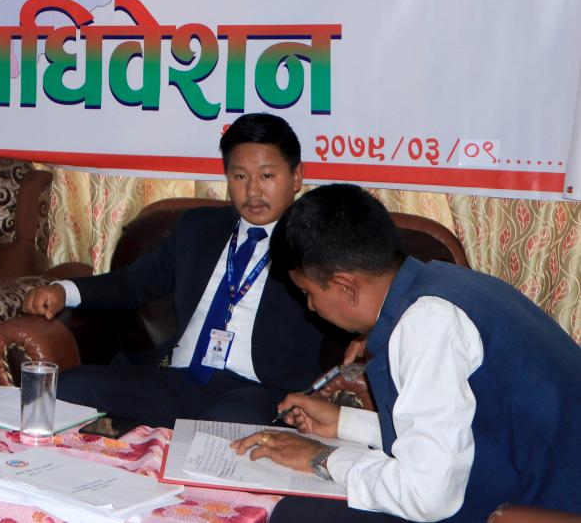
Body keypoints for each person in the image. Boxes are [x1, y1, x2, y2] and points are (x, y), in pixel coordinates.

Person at [233, 183, 581, 523]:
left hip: (545, 508)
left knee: (297, 512)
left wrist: (321, 459)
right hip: (517, 485)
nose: (311, 307)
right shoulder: (443, 286)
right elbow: (453, 434)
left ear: (345, 286)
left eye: (309, 293)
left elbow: (427, 497)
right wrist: (345, 423)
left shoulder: (426, 324)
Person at [20, 113, 330, 428]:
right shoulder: (198, 228)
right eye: (240, 176)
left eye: (267, 176)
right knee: (68, 388)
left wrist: (361, 338)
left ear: (296, 177)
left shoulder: (318, 242)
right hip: (180, 380)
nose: (253, 191)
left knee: (222, 423)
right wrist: (63, 291)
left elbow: (351, 299)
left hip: (261, 391)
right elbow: (133, 283)